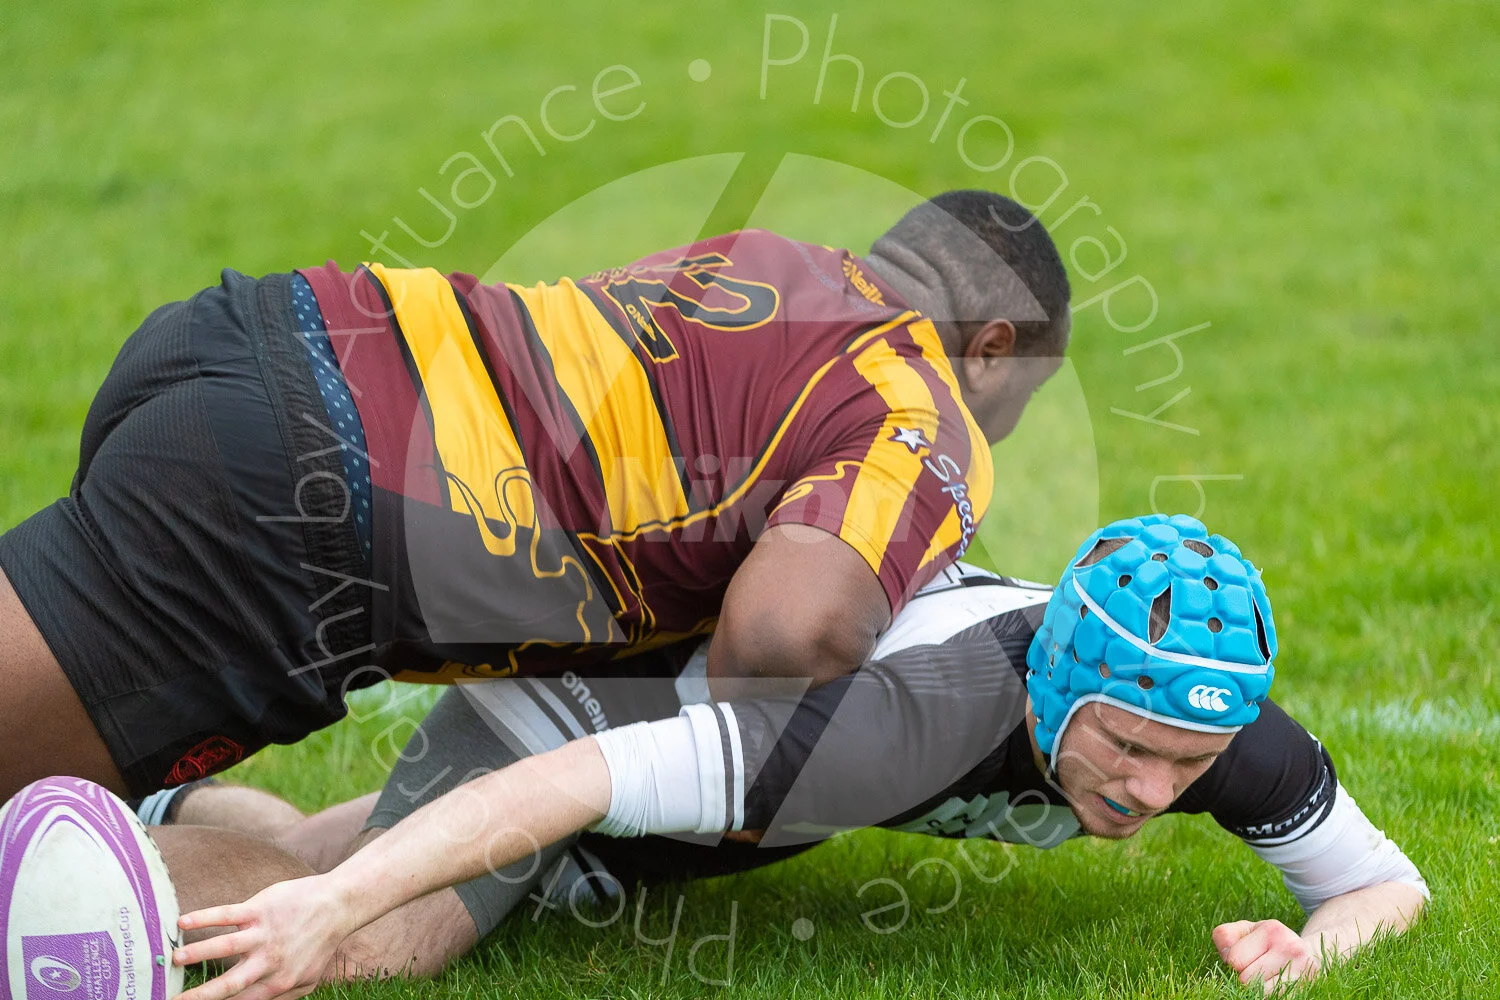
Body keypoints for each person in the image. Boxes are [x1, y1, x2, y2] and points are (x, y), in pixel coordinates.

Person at [0, 190, 1071, 800]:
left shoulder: (771, 262)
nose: (1000, 431)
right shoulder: (929, 408)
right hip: (315, 500)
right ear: (990, 350)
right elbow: (786, 634)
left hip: (262, 333)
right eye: (1020, 401)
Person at [151, 515, 1426, 997]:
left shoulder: (1207, 728)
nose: (1156, 792)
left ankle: (166, 807)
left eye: (1191, 764)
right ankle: (93, 898)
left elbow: (1387, 883)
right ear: (1053, 686)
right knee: (372, 933)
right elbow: (576, 784)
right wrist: (335, 912)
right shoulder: (916, 716)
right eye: (1130, 749)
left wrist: (1314, 955)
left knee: (322, 846)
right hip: (596, 708)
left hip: (706, 756)